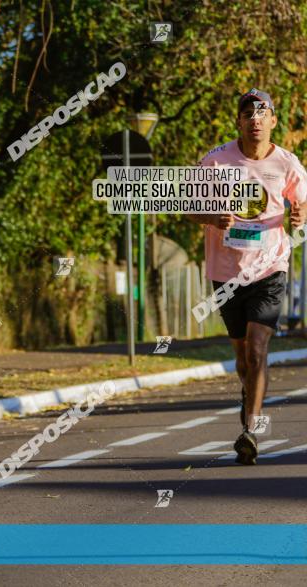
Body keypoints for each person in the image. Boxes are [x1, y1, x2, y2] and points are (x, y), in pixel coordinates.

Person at [189, 89, 306, 465]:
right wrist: (209, 218)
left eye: (263, 112)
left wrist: (300, 217)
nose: (255, 118)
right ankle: (248, 391)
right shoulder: (215, 162)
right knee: (241, 356)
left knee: (257, 349)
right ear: (238, 121)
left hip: (271, 267)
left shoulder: (288, 164)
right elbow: (186, 208)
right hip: (226, 273)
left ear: (273, 121)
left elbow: (304, 202)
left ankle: (251, 430)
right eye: (247, 112)